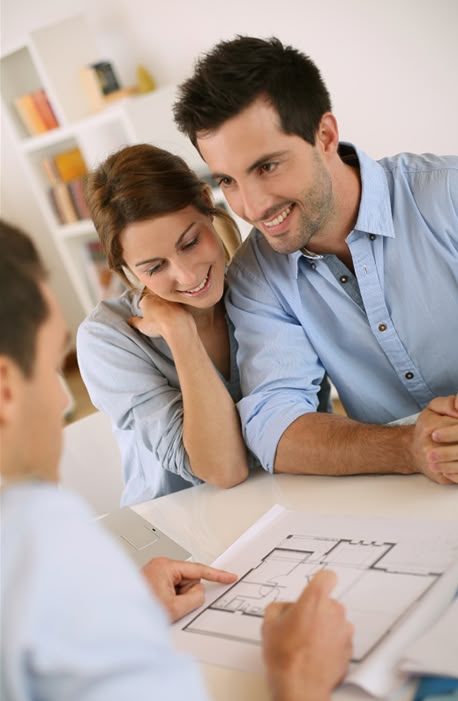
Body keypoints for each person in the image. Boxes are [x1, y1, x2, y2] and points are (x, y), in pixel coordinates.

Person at [0, 220, 353, 701]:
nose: (62, 402)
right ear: (5, 390)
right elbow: (224, 468)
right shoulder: (49, 556)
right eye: (53, 368)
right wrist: (301, 676)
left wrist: (119, 610)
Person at [173, 35, 458, 487]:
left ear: (324, 135)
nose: (252, 206)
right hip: (410, 494)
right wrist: (408, 447)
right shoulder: (255, 275)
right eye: (228, 180)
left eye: (267, 167)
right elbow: (273, 426)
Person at [77, 143, 332, 505]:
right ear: (126, 269)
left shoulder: (266, 283)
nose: (187, 275)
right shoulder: (107, 338)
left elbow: (311, 423)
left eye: (190, 242)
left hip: (296, 498)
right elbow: (223, 470)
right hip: (182, 523)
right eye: (155, 267)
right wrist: (180, 334)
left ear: (205, 201)